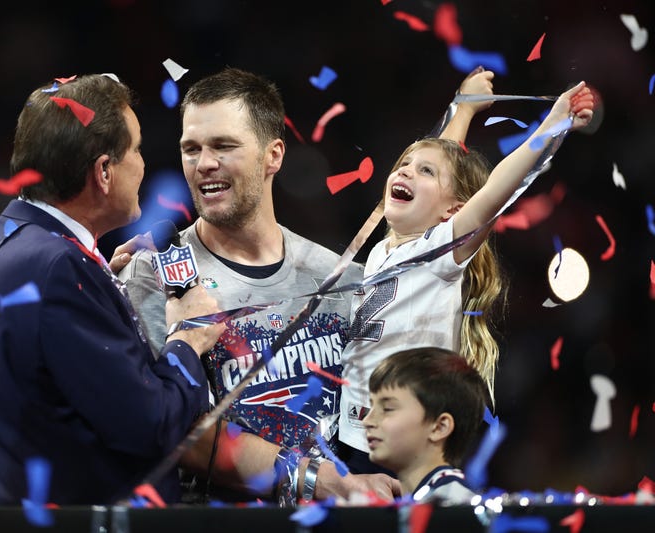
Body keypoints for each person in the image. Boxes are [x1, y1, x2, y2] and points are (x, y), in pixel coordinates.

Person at [113, 67, 492, 504]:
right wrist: (317, 480)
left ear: (273, 156)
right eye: (191, 149)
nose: (205, 164)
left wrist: (462, 113)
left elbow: (433, 223)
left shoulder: (342, 278)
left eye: (224, 146)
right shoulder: (155, 276)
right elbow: (168, 429)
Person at [0, 73, 224, 507]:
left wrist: (102, 281)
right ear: (103, 171)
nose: (143, 162)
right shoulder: (59, 268)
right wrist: (188, 339)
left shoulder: (2, 246)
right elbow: (153, 427)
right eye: (134, 149)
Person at [338, 82, 594, 473]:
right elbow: (442, 165)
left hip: (400, 439)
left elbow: (495, 191)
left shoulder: (440, 251)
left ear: (452, 212)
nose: (406, 171)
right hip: (353, 432)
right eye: (403, 164)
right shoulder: (383, 249)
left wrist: (552, 125)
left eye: (423, 171)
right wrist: (465, 110)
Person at [362, 346, 490, 503]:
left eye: (388, 409)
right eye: (371, 406)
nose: (367, 421)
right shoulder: (421, 501)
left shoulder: (454, 507)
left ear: (439, 427)